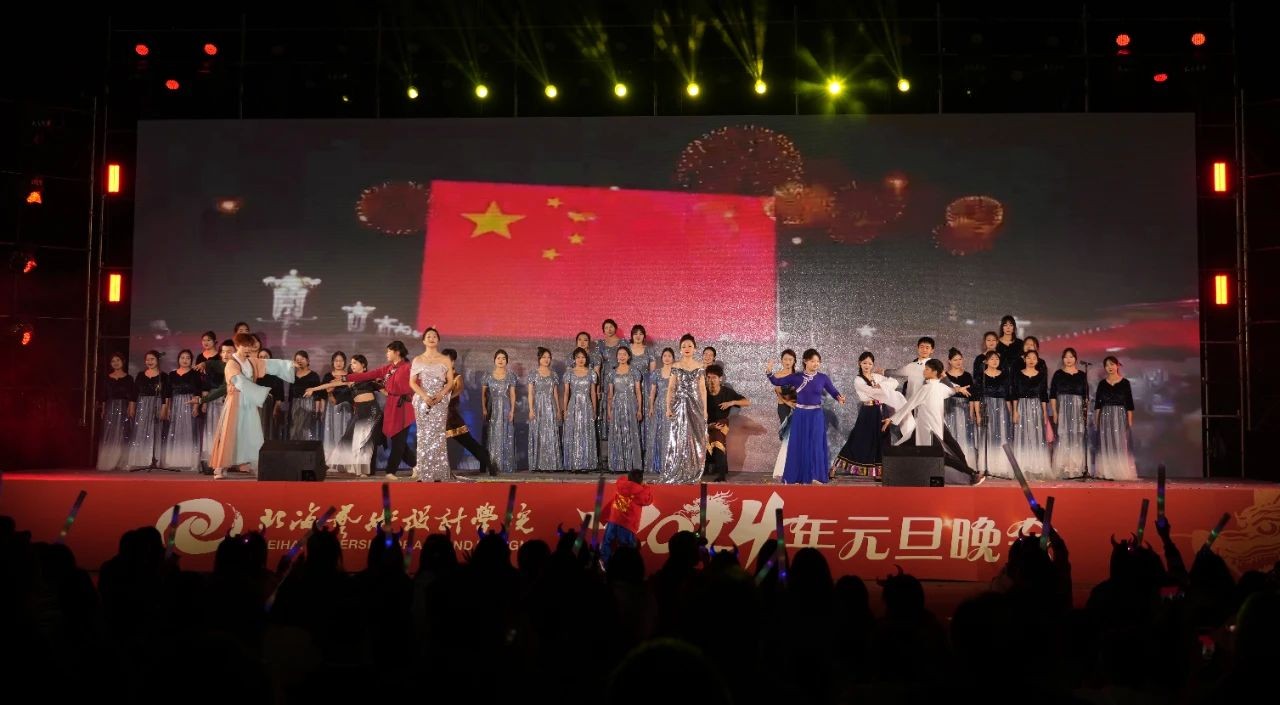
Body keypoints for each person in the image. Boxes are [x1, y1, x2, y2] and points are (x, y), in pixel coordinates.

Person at [208, 333, 296, 478]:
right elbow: (239, 381)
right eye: (245, 346)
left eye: (250, 346)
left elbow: (269, 364)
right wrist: (260, 392)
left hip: (249, 401)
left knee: (252, 432)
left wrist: (289, 364)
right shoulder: (232, 363)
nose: (248, 349)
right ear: (237, 346)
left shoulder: (251, 362)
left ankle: (255, 464)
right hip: (236, 401)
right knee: (231, 432)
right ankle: (221, 467)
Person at [882, 358, 982, 484]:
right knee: (902, 447)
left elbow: (909, 405)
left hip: (929, 429)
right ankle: (888, 472)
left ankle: (971, 473)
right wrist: (958, 388)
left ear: (934, 372)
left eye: (927, 369)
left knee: (941, 455)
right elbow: (951, 390)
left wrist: (891, 419)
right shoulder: (939, 387)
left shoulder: (928, 388)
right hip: (926, 428)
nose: (924, 371)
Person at [767, 348, 846, 485]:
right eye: (813, 361)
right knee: (798, 444)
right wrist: (769, 372)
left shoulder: (823, 378)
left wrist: (839, 398)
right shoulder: (796, 377)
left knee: (816, 445)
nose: (816, 364)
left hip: (816, 415)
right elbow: (776, 382)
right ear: (805, 361)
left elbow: (833, 391)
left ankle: (816, 476)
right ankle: (796, 476)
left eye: (818, 361)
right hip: (800, 415)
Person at [340, 339, 416, 479]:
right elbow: (367, 375)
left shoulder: (408, 367)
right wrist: (346, 378)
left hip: (403, 407)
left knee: (398, 440)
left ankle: (390, 471)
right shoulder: (387, 369)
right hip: (391, 406)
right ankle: (416, 465)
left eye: (389, 351)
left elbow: (416, 384)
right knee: (397, 439)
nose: (386, 353)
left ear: (397, 352)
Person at [831, 352, 905, 480]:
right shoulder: (858, 380)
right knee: (858, 438)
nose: (867, 365)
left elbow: (895, 382)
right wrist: (883, 389)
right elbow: (872, 392)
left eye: (870, 363)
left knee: (883, 439)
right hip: (868, 412)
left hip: (882, 410)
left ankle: (880, 472)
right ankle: (835, 467)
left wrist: (882, 385)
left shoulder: (877, 376)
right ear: (859, 363)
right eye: (864, 363)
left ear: (873, 365)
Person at [661, 334, 708, 485]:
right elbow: (671, 388)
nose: (687, 348)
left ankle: (693, 470)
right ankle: (678, 468)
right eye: (683, 346)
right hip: (679, 404)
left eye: (689, 346)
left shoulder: (700, 366)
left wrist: (705, 410)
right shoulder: (675, 366)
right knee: (679, 437)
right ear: (680, 349)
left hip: (696, 405)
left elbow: (702, 389)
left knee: (695, 437)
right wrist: (668, 407)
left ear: (695, 348)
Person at [408, 329, 455, 482]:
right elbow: (412, 382)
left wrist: (441, 395)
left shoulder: (445, 359)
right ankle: (424, 473)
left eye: (434, 336)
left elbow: (450, 382)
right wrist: (424, 396)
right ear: (423, 340)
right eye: (428, 336)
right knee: (423, 436)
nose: (431, 338)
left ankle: (439, 473)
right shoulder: (417, 359)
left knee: (438, 436)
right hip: (423, 401)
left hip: (440, 401)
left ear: (438, 340)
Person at [441, 348, 492, 476]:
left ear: (453, 362)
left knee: (469, 443)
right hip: (439, 417)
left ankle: (487, 463)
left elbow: (458, 390)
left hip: (452, 417)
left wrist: (444, 398)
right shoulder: (438, 377)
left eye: (448, 360)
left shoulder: (457, 377)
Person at [1010, 349, 1054, 479]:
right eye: (1028, 357)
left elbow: (1043, 395)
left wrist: (1045, 412)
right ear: (1024, 359)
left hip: (1036, 407)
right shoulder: (1018, 374)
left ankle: (1037, 467)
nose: (1031, 360)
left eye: (1034, 358)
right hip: (1022, 407)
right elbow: (1015, 394)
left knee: (1036, 437)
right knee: (1023, 436)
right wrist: (1015, 411)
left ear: (1037, 360)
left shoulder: (1041, 375)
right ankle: (1023, 466)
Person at [1093, 355, 1137, 481]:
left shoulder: (1125, 383)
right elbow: (1098, 405)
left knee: (1120, 443)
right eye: (1107, 365)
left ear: (1117, 365)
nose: (1109, 367)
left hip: (1120, 416)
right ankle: (1107, 471)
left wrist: (1129, 421)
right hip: (1105, 416)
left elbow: (1129, 404)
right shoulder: (1102, 384)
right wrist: (1096, 420)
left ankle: (1119, 471)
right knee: (1106, 444)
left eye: (1112, 364)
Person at [125, 350, 171, 470]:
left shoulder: (163, 376)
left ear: (157, 360)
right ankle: (141, 459)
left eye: (152, 359)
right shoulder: (140, 375)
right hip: (143, 405)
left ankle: (154, 459)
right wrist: (132, 406)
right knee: (141, 430)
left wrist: (164, 408)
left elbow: (166, 394)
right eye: (147, 359)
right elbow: (134, 392)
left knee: (156, 430)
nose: (149, 362)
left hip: (157, 404)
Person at [704, 364, 749, 482]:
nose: (711, 380)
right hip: (705, 423)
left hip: (721, 422)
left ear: (720, 378)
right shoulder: (703, 391)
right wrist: (708, 425)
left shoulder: (727, 392)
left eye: (714, 377)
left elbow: (746, 402)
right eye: (709, 377)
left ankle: (721, 474)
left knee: (718, 437)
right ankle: (702, 469)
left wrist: (731, 403)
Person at [971, 350, 1012, 478]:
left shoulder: (1004, 375)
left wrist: (1010, 413)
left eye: (997, 359)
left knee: (1001, 436)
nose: (995, 361)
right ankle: (985, 466)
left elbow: (1008, 397)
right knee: (986, 437)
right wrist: (978, 414)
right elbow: (976, 397)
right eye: (992, 359)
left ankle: (1000, 467)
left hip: (1001, 408)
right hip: (986, 408)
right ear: (986, 361)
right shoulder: (981, 377)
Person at [599, 469, 654, 565]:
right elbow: (649, 499)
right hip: (628, 525)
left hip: (613, 520)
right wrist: (646, 486)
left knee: (607, 542)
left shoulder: (621, 485)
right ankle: (626, 567)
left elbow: (622, 478)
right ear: (641, 481)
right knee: (628, 547)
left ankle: (606, 563)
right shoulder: (641, 493)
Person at [1050, 347, 1089, 478]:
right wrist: (1055, 412)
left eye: (1071, 356)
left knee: (1076, 437)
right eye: (1066, 357)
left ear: (1076, 359)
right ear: (1062, 359)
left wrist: (1085, 412)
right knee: (1063, 436)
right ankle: (1063, 467)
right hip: (1063, 409)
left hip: (1078, 410)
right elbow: (1053, 395)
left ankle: (1076, 467)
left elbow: (1086, 396)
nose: (1068, 359)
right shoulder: (1058, 374)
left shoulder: (1082, 375)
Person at [161, 349, 202, 472]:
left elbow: (198, 391)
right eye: (182, 357)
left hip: (189, 403)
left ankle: (189, 461)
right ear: (178, 359)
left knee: (189, 431)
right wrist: (167, 409)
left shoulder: (195, 374)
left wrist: (196, 407)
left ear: (191, 360)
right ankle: (174, 460)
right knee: (174, 431)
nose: (185, 360)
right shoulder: (172, 374)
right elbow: (167, 394)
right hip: (175, 405)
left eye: (188, 358)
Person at [607, 346, 645, 473]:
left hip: (631, 404)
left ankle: (632, 465)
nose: (622, 356)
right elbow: (610, 394)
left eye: (624, 354)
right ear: (617, 356)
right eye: (620, 354)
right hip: (617, 405)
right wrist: (609, 410)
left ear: (628, 356)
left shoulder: (634, 372)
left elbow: (638, 391)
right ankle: (617, 465)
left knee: (631, 432)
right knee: (617, 432)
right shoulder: (612, 373)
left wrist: (639, 409)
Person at [562, 347, 599, 472]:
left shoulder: (591, 373)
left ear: (586, 359)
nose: (581, 359)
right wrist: (565, 409)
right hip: (573, 405)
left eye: (583, 357)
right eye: (578, 357)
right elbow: (566, 393)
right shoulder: (569, 373)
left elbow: (593, 393)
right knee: (573, 432)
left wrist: (594, 409)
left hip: (586, 405)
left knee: (586, 432)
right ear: (574, 359)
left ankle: (586, 463)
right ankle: (573, 463)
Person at [97, 352, 136, 471]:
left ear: (123, 361)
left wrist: (131, 407)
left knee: (123, 434)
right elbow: (104, 395)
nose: (115, 363)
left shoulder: (129, 378)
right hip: (111, 407)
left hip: (124, 407)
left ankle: (121, 461)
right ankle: (108, 461)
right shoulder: (107, 378)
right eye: (113, 361)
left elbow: (132, 395)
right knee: (110, 433)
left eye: (118, 360)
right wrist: (103, 409)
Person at [481, 349, 518, 474]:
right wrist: (484, 408)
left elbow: (512, 394)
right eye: (498, 358)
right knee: (493, 434)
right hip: (493, 407)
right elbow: (483, 395)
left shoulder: (511, 376)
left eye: (503, 358)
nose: (501, 360)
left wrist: (512, 410)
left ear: (507, 361)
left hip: (506, 407)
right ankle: (493, 464)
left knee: (507, 433)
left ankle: (506, 464)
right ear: (494, 360)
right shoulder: (488, 375)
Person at [526, 347, 563, 472]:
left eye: (548, 357)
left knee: (550, 433)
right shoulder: (533, 373)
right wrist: (531, 409)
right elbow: (530, 393)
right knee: (539, 433)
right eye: (544, 357)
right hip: (538, 406)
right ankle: (538, 464)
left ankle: (551, 464)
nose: (546, 359)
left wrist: (558, 410)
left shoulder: (554, 374)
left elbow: (556, 394)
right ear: (539, 359)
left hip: (550, 406)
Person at [942, 348, 977, 470]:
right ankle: (952, 464)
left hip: (964, 408)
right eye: (955, 360)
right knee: (951, 435)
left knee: (965, 434)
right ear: (949, 361)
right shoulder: (944, 376)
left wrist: (972, 411)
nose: (958, 362)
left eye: (960, 359)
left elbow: (972, 395)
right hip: (949, 407)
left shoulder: (967, 375)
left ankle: (967, 464)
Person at [646, 347, 675, 475]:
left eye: (669, 356)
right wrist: (651, 407)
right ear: (662, 358)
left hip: (672, 406)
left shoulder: (676, 373)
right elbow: (652, 392)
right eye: (665, 356)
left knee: (670, 434)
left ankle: (670, 464)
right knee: (658, 434)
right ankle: (657, 464)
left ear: (673, 358)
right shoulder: (656, 373)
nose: (667, 358)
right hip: (658, 406)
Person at [770, 349, 798, 481]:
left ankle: (796, 466)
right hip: (784, 407)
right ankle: (784, 467)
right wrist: (788, 403)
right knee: (787, 436)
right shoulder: (778, 375)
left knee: (797, 437)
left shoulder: (797, 375)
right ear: (781, 361)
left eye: (790, 359)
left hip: (798, 407)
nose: (787, 362)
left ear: (794, 361)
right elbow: (778, 394)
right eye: (785, 359)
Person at [288, 351, 321, 441]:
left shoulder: (314, 376)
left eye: (302, 359)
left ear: (308, 360)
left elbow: (318, 395)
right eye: (297, 359)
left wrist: (317, 411)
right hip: (295, 406)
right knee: (294, 429)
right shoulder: (292, 376)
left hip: (308, 404)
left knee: (306, 430)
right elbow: (290, 396)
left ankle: (305, 448)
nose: (299, 361)